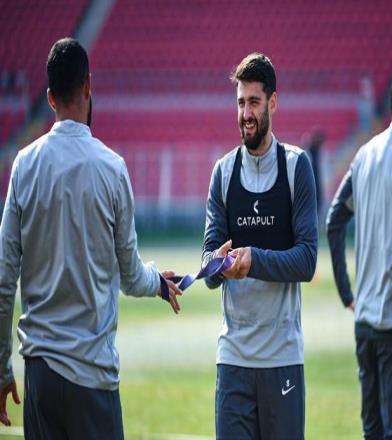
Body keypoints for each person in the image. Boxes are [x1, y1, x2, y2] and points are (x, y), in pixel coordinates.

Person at [0, 38, 182, 439]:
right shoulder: (112, 168)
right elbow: (131, 276)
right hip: (93, 378)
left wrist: (1, 368)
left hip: (40, 377)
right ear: (88, 86)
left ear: (50, 98)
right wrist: (157, 281)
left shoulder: (23, 166)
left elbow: (3, 280)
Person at [202, 52, 318, 439]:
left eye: (254, 102)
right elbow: (208, 266)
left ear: (273, 102)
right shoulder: (222, 172)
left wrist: (254, 260)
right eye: (240, 103)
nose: (246, 114)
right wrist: (217, 264)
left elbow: (307, 260)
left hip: (282, 359)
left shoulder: (296, 166)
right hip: (232, 359)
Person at [327, 65, 392, 440]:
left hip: (364, 325)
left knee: (371, 432)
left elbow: (334, 222)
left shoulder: (363, 156)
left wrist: (347, 293)